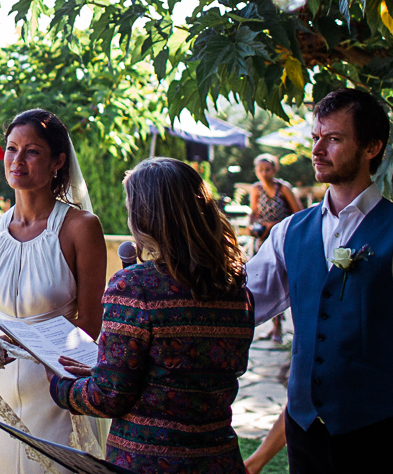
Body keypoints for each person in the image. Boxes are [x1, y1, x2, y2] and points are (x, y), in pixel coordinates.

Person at [245, 88, 393, 474]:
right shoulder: (289, 232)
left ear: (372, 147)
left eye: (335, 139)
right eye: (316, 138)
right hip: (304, 430)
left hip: (377, 431)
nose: (318, 149)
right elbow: (241, 304)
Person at [47, 158, 252, 474]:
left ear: (145, 217)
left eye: (131, 210)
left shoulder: (135, 287)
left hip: (149, 464)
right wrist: (103, 370)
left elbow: (109, 397)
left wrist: (60, 386)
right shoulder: (237, 289)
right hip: (220, 460)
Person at [0, 109, 107, 472]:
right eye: (11, 149)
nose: (17, 161)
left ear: (58, 162)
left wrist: (58, 373)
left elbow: (93, 324)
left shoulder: (81, 227)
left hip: (56, 391)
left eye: (31, 151)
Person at [248, 154, 301, 342]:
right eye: (260, 170)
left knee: (285, 282)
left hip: (283, 240)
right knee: (267, 281)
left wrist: (275, 225)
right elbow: (254, 213)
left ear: (274, 170)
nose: (264, 173)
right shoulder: (256, 189)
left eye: (267, 169)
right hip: (263, 240)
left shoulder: (283, 188)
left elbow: (299, 214)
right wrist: (254, 225)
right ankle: (274, 326)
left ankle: (288, 328)